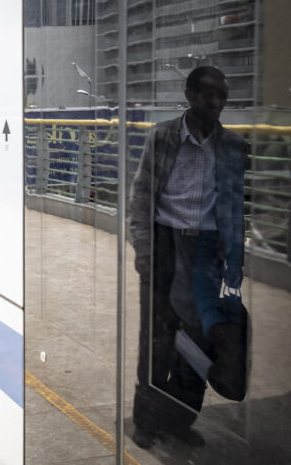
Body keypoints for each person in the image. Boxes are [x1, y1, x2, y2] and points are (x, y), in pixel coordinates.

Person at [129, 66, 247, 449]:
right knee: (158, 337)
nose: (216, 104)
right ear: (190, 95)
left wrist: (234, 261)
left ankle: (180, 421)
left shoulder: (230, 146)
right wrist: (145, 250)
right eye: (209, 95)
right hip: (166, 243)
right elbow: (142, 197)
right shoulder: (163, 137)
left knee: (197, 341)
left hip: (206, 252)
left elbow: (234, 207)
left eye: (222, 97)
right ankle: (146, 422)